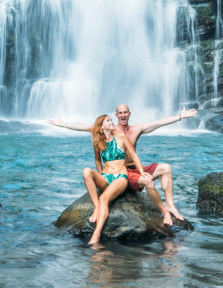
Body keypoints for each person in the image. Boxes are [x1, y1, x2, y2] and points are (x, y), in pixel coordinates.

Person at [49, 103, 197, 226]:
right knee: (147, 181)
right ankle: (163, 211)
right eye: (120, 113)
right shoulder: (112, 130)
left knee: (166, 168)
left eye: (125, 112)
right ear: (117, 115)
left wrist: (180, 117)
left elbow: (158, 123)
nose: (123, 115)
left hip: (136, 168)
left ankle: (170, 205)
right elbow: (85, 127)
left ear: (129, 114)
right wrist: (63, 124)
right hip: (123, 171)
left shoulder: (136, 129)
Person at [78, 114, 152, 246]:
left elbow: (134, 155)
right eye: (108, 121)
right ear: (101, 127)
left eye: (111, 120)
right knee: (86, 171)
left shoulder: (121, 137)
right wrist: (100, 173)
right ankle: (96, 208)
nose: (112, 122)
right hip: (106, 176)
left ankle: (96, 235)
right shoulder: (98, 141)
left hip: (120, 177)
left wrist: (142, 172)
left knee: (104, 199)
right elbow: (97, 159)